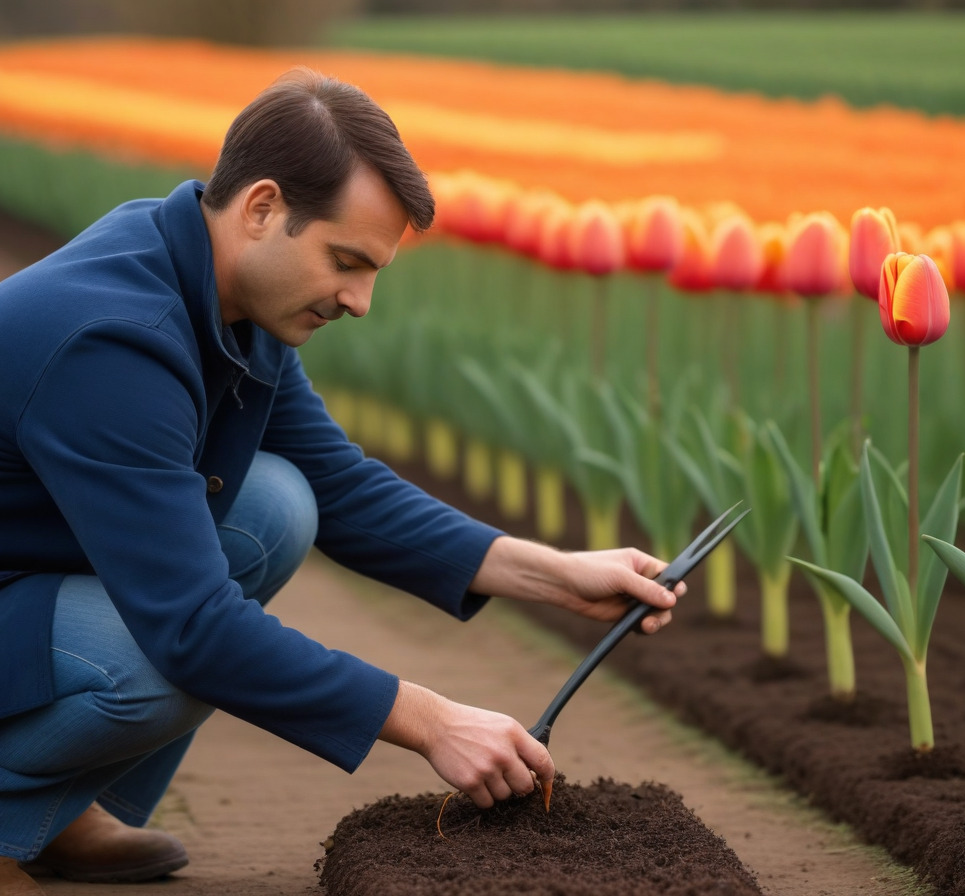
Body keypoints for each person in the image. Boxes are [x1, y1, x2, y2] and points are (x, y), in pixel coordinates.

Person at [0, 68, 681, 895]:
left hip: (25, 573)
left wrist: (559, 574)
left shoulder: (219, 290)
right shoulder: (112, 341)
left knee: (279, 504)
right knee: (159, 662)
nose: (359, 301)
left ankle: (58, 808)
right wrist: (433, 722)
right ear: (261, 209)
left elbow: (342, 486)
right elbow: (192, 629)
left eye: (374, 272)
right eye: (346, 262)